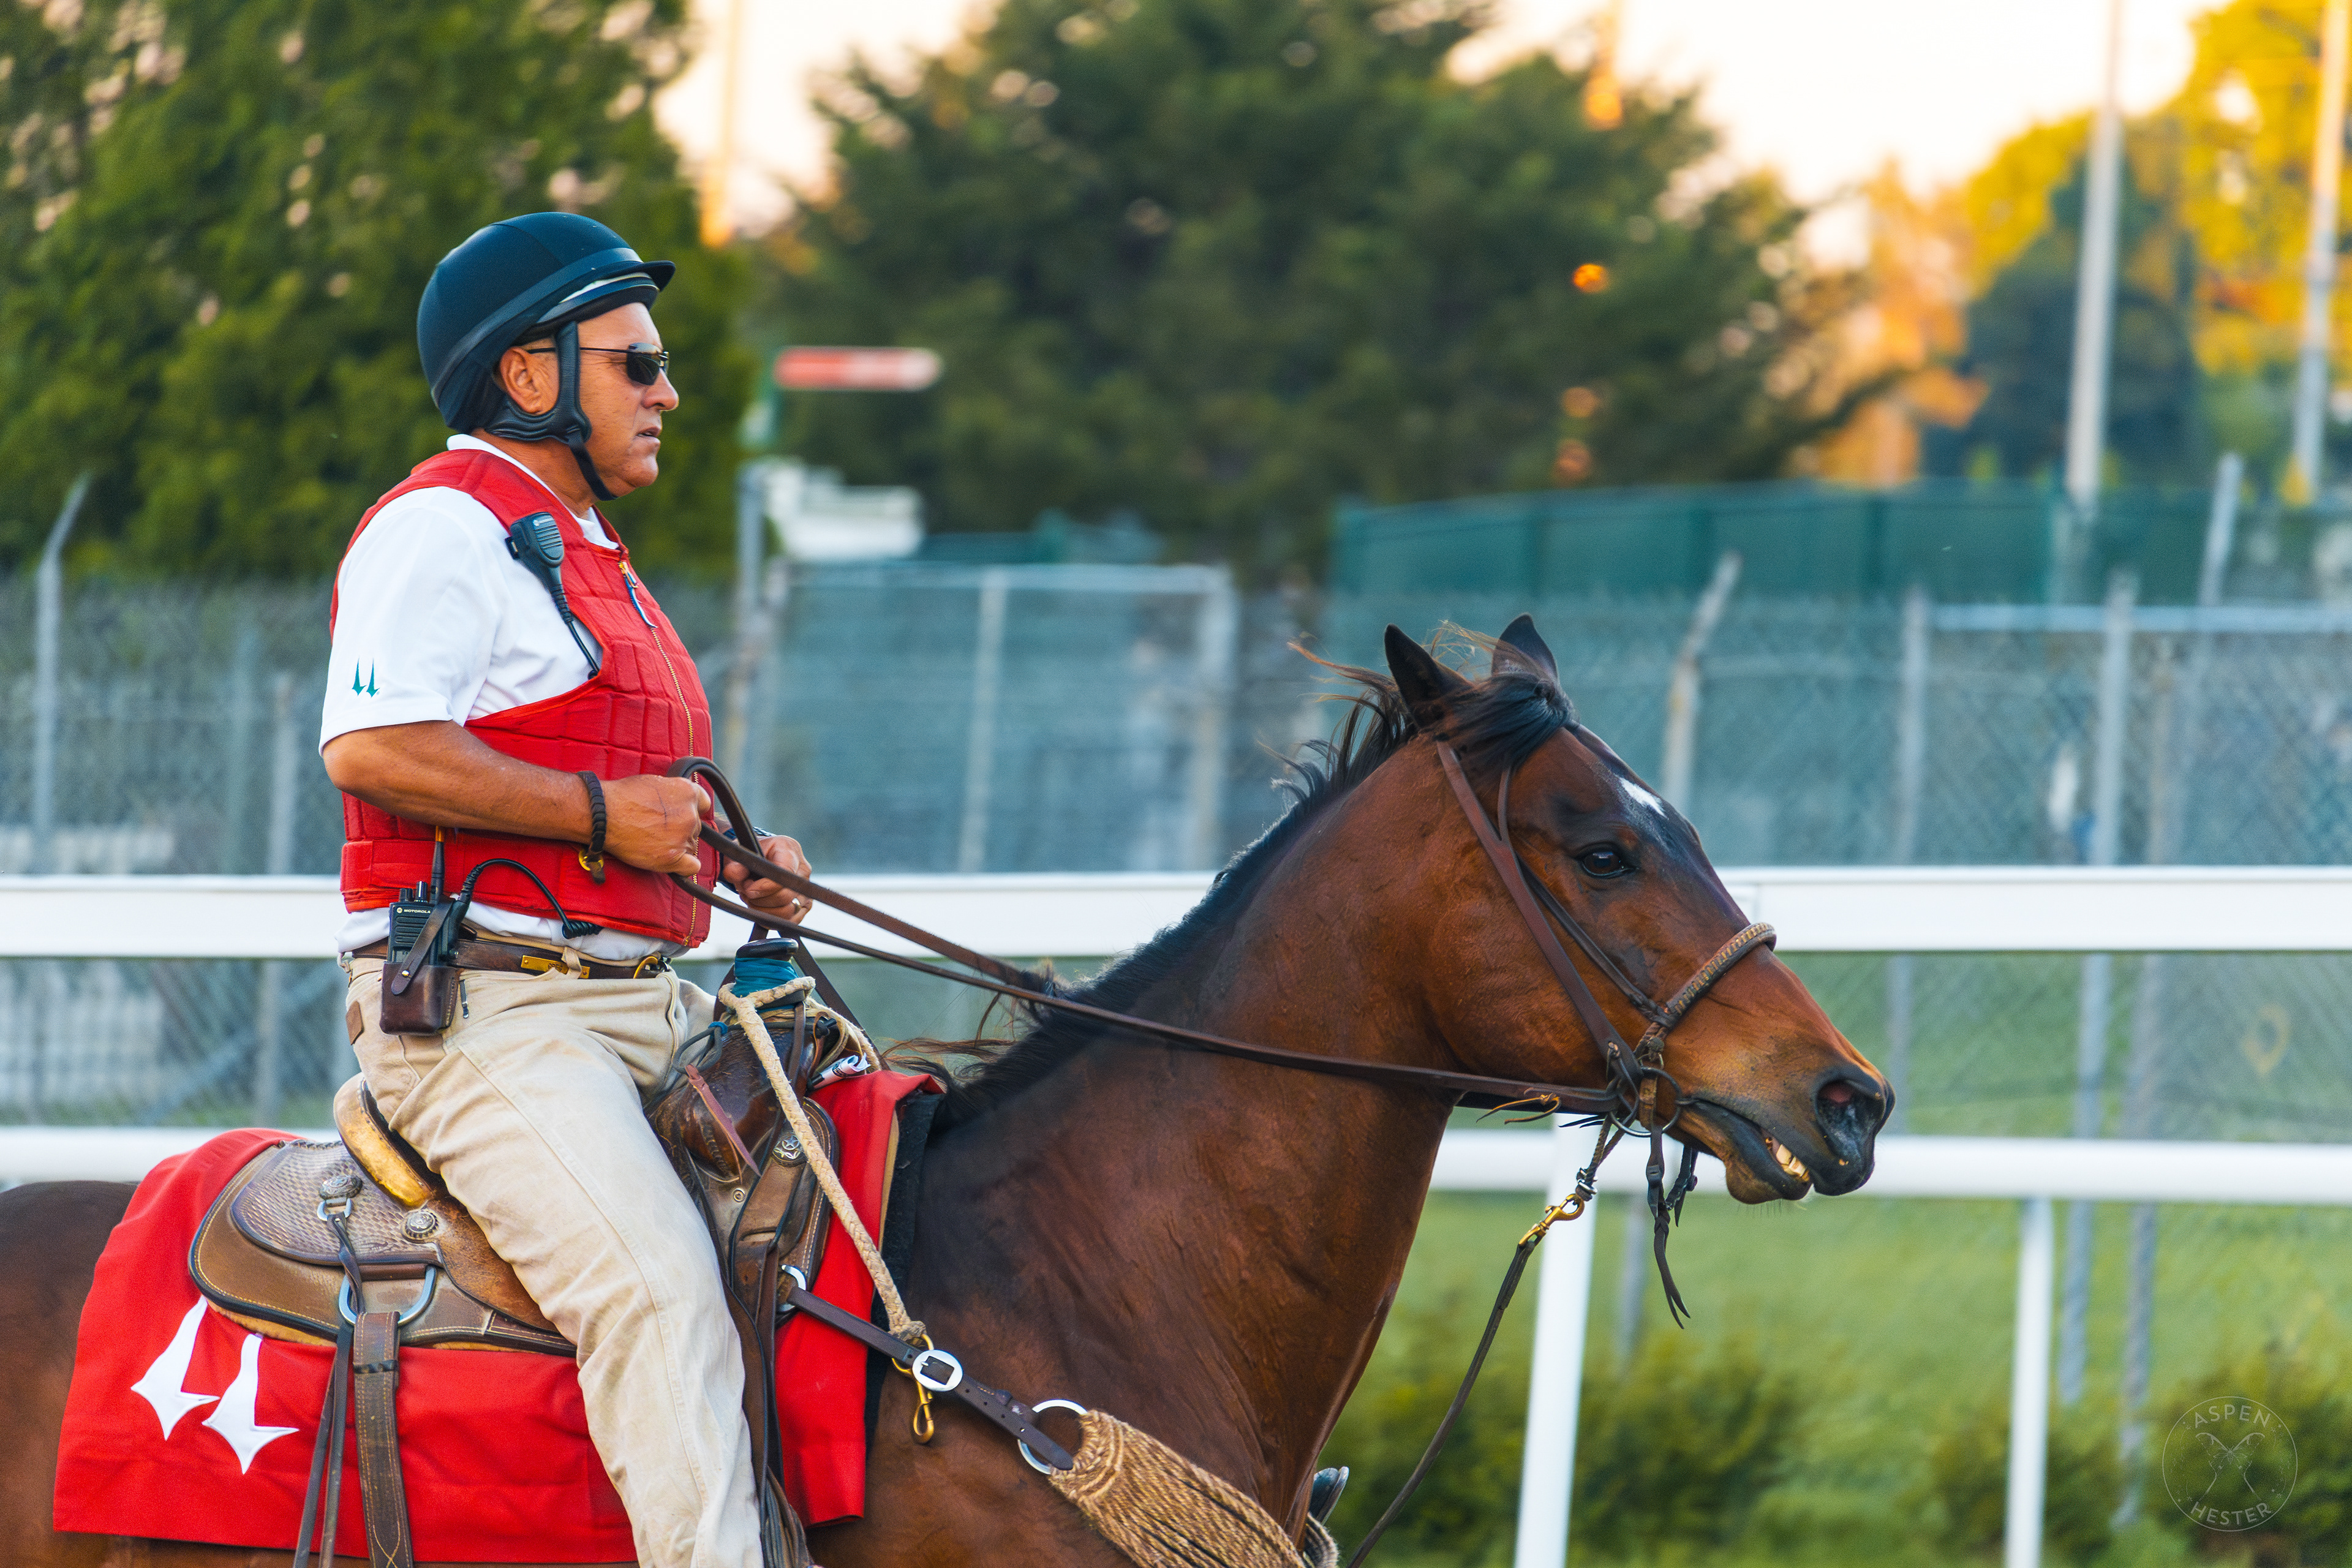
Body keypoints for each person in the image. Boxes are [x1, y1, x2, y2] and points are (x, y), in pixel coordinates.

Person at [320, 211, 804, 1568]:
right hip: (487, 1023)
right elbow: (370, 743)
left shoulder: (591, 550)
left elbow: (624, 806)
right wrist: (609, 815)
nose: (667, 389)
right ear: (531, 377)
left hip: (643, 1004)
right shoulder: (443, 526)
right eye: (635, 361)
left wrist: (731, 856)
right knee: (658, 1294)